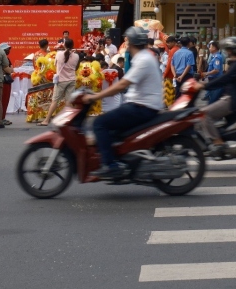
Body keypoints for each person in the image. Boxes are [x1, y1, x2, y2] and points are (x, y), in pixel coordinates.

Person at [82, 28, 164, 180]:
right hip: (139, 105)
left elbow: (121, 85)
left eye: (127, 41)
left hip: (141, 107)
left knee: (99, 123)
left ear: (131, 43)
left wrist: (96, 96)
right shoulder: (144, 57)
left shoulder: (143, 60)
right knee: (111, 128)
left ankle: (111, 166)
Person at [196, 37, 236, 150]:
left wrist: (204, 85)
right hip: (230, 97)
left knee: (204, 114)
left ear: (230, 50)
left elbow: (224, 79)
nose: (226, 52)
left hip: (233, 100)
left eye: (227, 49)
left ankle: (218, 143)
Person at [42, 37, 79, 125]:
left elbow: (55, 64)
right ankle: (69, 121)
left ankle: (46, 120)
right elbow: (76, 67)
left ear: (64, 45)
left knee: (55, 100)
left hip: (61, 81)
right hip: (72, 80)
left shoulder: (59, 54)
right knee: (68, 101)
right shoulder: (76, 55)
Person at [0, 42, 15, 126]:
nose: (8, 51)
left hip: (1, 80)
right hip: (4, 81)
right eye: (7, 49)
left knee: (2, 100)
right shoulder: (4, 58)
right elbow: (9, 70)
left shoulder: (4, 58)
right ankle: (1, 118)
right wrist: (10, 70)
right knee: (3, 100)